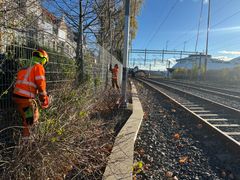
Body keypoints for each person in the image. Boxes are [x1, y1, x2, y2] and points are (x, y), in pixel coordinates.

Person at [12, 48, 50, 139]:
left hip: (17, 96)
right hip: (25, 98)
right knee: (31, 120)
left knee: (27, 119)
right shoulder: (38, 66)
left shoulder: (26, 66)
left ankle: (26, 140)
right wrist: (43, 99)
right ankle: (27, 143)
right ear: (43, 59)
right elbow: (41, 85)